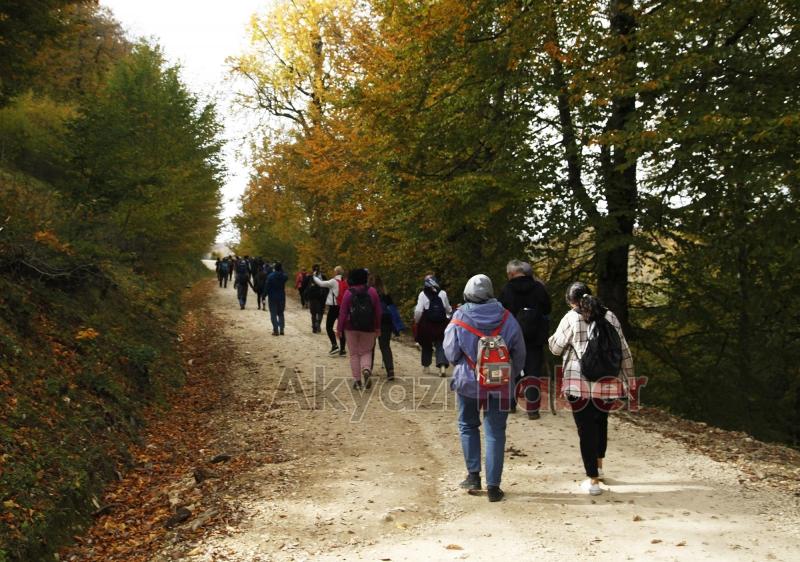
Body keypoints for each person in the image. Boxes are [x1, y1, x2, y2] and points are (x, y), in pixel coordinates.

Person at [444, 274, 525, 502]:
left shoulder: (460, 316)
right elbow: (519, 353)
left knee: (468, 425)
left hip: (468, 384)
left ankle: (473, 476)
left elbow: (450, 352)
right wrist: (509, 374)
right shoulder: (507, 318)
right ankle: (494, 486)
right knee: (495, 433)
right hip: (500, 384)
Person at [548, 282, 633, 496]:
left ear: (571, 302)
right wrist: (629, 380)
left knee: (585, 431)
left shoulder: (571, 318)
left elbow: (556, 348)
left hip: (579, 385)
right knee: (600, 423)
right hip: (607, 384)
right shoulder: (610, 316)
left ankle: (593, 480)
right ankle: (600, 468)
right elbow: (624, 350)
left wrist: (555, 339)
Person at [499, 259, 552, 419]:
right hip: (534, 338)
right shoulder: (538, 288)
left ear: (512, 273)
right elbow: (547, 309)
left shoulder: (507, 289)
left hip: (512, 338)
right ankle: (532, 410)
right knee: (533, 373)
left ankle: (510, 404)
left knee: (511, 370)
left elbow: (500, 312)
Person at [337, 268, 382, 390]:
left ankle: (357, 381)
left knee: (354, 354)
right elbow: (378, 312)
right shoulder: (372, 292)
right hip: (369, 327)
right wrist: (378, 327)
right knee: (367, 351)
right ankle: (366, 369)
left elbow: (342, 313)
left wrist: (339, 329)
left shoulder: (348, 292)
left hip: (351, 327)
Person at [414, 275, 452, 376]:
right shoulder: (443, 293)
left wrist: (417, 321)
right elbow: (448, 309)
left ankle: (426, 366)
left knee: (426, 343)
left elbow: (418, 311)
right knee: (441, 343)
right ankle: (442, 366)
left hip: (427, 324)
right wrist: (449, 315)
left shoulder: (422, 294)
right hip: (441, 323)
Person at [312, 265, 348, 356]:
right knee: (341, 328)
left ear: (336, 272)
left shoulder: (333, 281)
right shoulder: (345, 282)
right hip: (343, 307)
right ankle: (343, 349)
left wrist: (314, 277)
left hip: (334, 307)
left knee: (329, 327)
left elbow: (321, 283)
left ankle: (334, 345)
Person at [370, 274, 399, 381]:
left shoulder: (369, 293)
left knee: (370, 346)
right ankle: (390, 370)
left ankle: (368, 368)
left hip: (373, 321)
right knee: (385, 346)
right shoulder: (386, 294)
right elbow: (393, 311)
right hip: (385, 321)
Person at [266, 262, 289, 335]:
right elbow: (286, 276)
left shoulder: (270, 276)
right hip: (281, 296)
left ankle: (275, 330)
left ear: (274, 268)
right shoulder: (284, 276)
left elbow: (267, 287)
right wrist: (282, 271)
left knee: (273, 314)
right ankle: (282, 329)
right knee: (281, 313)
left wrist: (264, 295)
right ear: (281, 268)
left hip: (272, 297)